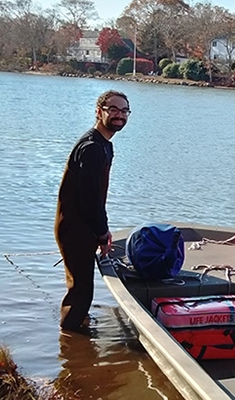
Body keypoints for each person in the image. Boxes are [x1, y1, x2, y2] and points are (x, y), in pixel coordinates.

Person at [55, 90, 131, 335]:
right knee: (81, 289)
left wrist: (99, 230)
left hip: (83, 226)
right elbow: (88, 199)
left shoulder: (104, 145)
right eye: (113, 109)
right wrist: (102, 231)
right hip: (75, 227)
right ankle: (70, 340)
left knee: (82, 287)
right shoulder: (91, 148)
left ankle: (75, 328)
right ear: (99, 112)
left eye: (124, 111)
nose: (119, 115)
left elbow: (95, 196)